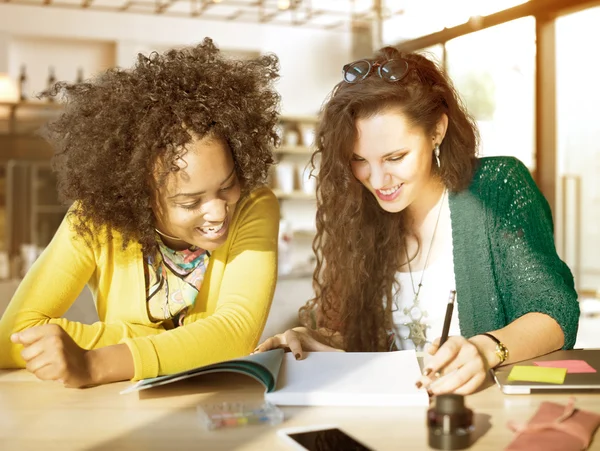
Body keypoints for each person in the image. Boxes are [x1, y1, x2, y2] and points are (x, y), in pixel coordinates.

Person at [254, 47, 580, 395]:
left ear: (437, 130)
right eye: (359, 159)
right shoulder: (358, 212)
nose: (377, 180)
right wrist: (316, 339)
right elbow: (352, 334)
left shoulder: (495, 188)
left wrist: (484, 350)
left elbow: (554, 311)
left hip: (475, 418)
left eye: (395, 157)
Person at [0, 38, 281, 388]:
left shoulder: (254, 206)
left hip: (214, 403)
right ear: (139, 197)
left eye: (226, 186)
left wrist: (97, 363)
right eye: (190, 202)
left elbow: (235, 334)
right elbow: (14, 336)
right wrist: (188, 340)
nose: (218, 211)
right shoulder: (94, 220)